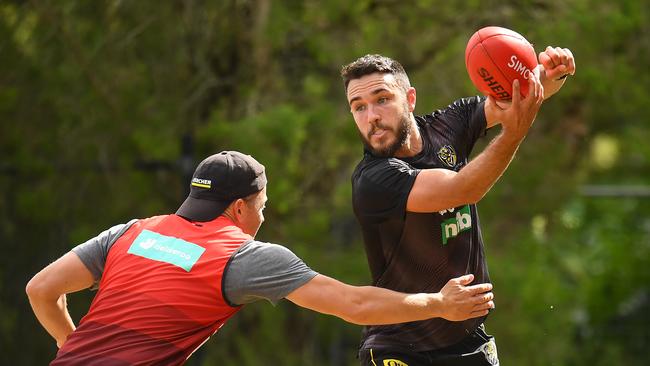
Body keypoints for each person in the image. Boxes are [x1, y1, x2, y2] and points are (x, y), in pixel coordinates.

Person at [26, 150, 496, 365]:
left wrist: (76, 351)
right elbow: (353, 305)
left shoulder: (130, 233)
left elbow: (41, 290)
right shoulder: (244, 257)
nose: (263, 217)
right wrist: (438, 303)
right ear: (240, 207)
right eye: (263, 207)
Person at [341, 46, 576, 366]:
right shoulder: (372, 181)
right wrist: (513, 135)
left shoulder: (448, 126)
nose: (372, 117)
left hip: (467, 341)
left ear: (410, 99)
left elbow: (513, 99)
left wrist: (549, 74)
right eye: (359, 107)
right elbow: (464, 190)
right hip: (398, 346)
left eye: (382, 99)